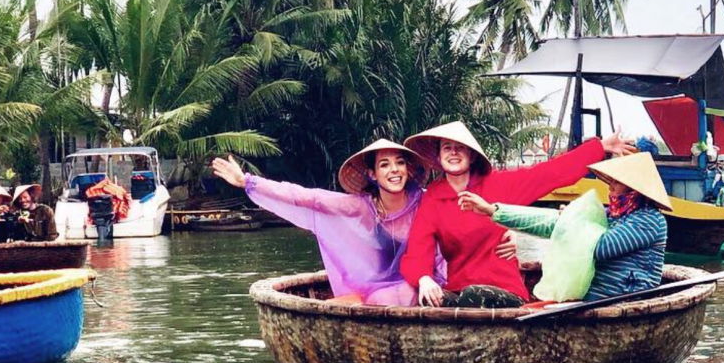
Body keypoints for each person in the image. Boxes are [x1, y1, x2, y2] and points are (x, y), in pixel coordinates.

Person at [209, 139, 516, 306]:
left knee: (404, 295)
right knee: (376, 299)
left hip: (433, 283)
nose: (394, 170)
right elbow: (307, 197)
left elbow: (470, 210)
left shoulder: (427, 200)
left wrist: (506, 232)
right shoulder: (360, 207)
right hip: (380, 291)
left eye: (399, 163)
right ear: (372, 174)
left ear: (408, 170)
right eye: (384, 164)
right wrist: (249, 183)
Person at [400, 121, 635, 308]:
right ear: (439, 157)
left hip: (504, 292)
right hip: (460, 293)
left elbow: (548, 174)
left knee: (472, 295)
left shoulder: (497, 185)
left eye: (459, 148)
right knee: (434, 298)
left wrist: (599, 147)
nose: (453, 153)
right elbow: (418, 251)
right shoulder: (433, 198)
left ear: (471, 156)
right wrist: (424, 279)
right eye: (447, 148)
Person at [458, 152, 671, 301]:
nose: (610, 188)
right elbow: (548, 224)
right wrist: (493, 211)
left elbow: (601, 248)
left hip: (624, 299)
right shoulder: (612, 214)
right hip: (593, 297)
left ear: (634, 189)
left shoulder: (649, 220)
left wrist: (572, 222)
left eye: (616, 183)